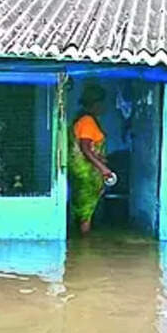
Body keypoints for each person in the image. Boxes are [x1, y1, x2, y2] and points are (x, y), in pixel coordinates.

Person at [68, 83, 114, 235]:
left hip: (82, 171)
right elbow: (86, 149)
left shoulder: (84, 120)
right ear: (96, 104)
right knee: (85, 213)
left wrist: (100, 157)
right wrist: (104, 169)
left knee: (82, 209)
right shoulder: (87, 121)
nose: (104, 107)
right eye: (102, 103)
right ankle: (84, 247)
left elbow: (88, 148)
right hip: (86, 173)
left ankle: (80, 248)